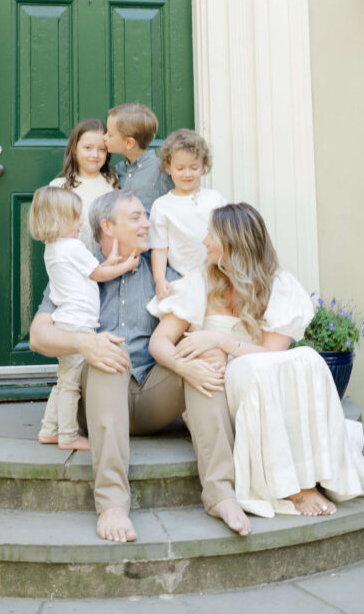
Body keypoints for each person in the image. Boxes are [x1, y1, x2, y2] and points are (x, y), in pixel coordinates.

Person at [150, 203, 364, 525]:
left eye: (210, 234)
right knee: (256, 370)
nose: (203, 241)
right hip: (212, 391)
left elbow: (274, 355)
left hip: (260, 383)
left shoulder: (278, 286)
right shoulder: (200, 282)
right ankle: (292, 488)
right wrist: (183, 365)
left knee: (300, 359)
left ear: (232, 242)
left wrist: (220, 341)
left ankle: (305, 479)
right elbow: (159, 340)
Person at [29, 190, 251, 543]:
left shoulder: (164, 273)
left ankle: (222, 493)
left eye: (145, 216)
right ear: (108, 227)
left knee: (202, 355)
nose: (148, 223)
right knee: (108, 358)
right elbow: (39, 337)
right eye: (135, 217)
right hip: (100, 393)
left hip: (153, 394)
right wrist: (87, 344)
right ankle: (112, 505)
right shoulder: (74, 269)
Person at [29, 186, 140, 451]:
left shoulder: (53, 249)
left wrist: (110, 259)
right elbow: (98, 274)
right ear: (59, 220)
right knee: (71, 384)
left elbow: (93, 268)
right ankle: (67, 434)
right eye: (75, 218)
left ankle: (48, 428)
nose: (80, 223)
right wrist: (126, 265)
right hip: (79, 323)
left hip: (65, 320)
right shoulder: (73, 247)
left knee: (63, 379)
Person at [147, 129, 226, 326]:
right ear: (168, 167)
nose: (187, 174)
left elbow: (229, 237)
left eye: (194, 167)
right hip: (183, 278)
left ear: (204, 167)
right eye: (180, 168)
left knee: (214, 321)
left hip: (218, 275)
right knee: (188, 323)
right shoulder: (162, 206)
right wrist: (159, 279)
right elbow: (159, 246)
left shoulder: (214, 199)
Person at [50, 118, 118, 254]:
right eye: (88, 148)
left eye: (102, 149)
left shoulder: (112, 182)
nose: (95, 155)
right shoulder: (60, 187)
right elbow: (51, 235)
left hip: (107, 264)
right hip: (73, 265)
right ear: (74, 149)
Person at [104, 103, 173, 214]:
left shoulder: (162, 170)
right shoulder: (118, 170)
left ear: (129, 143)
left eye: (110, 134)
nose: (104, 137)